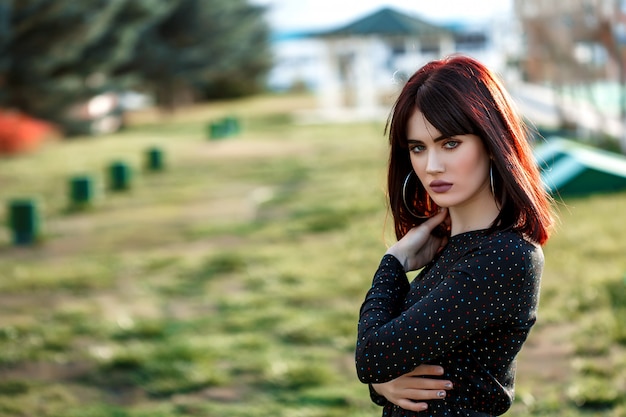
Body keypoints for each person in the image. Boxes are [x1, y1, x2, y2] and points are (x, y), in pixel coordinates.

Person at [355, 55, 555, 417]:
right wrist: (382, 383)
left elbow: (373, 355)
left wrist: (393, 264)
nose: (431, 166)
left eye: (450, 143)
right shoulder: (454, 249)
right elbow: (384, 362)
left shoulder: (505, 257)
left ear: (492, 142)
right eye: (418, 147)